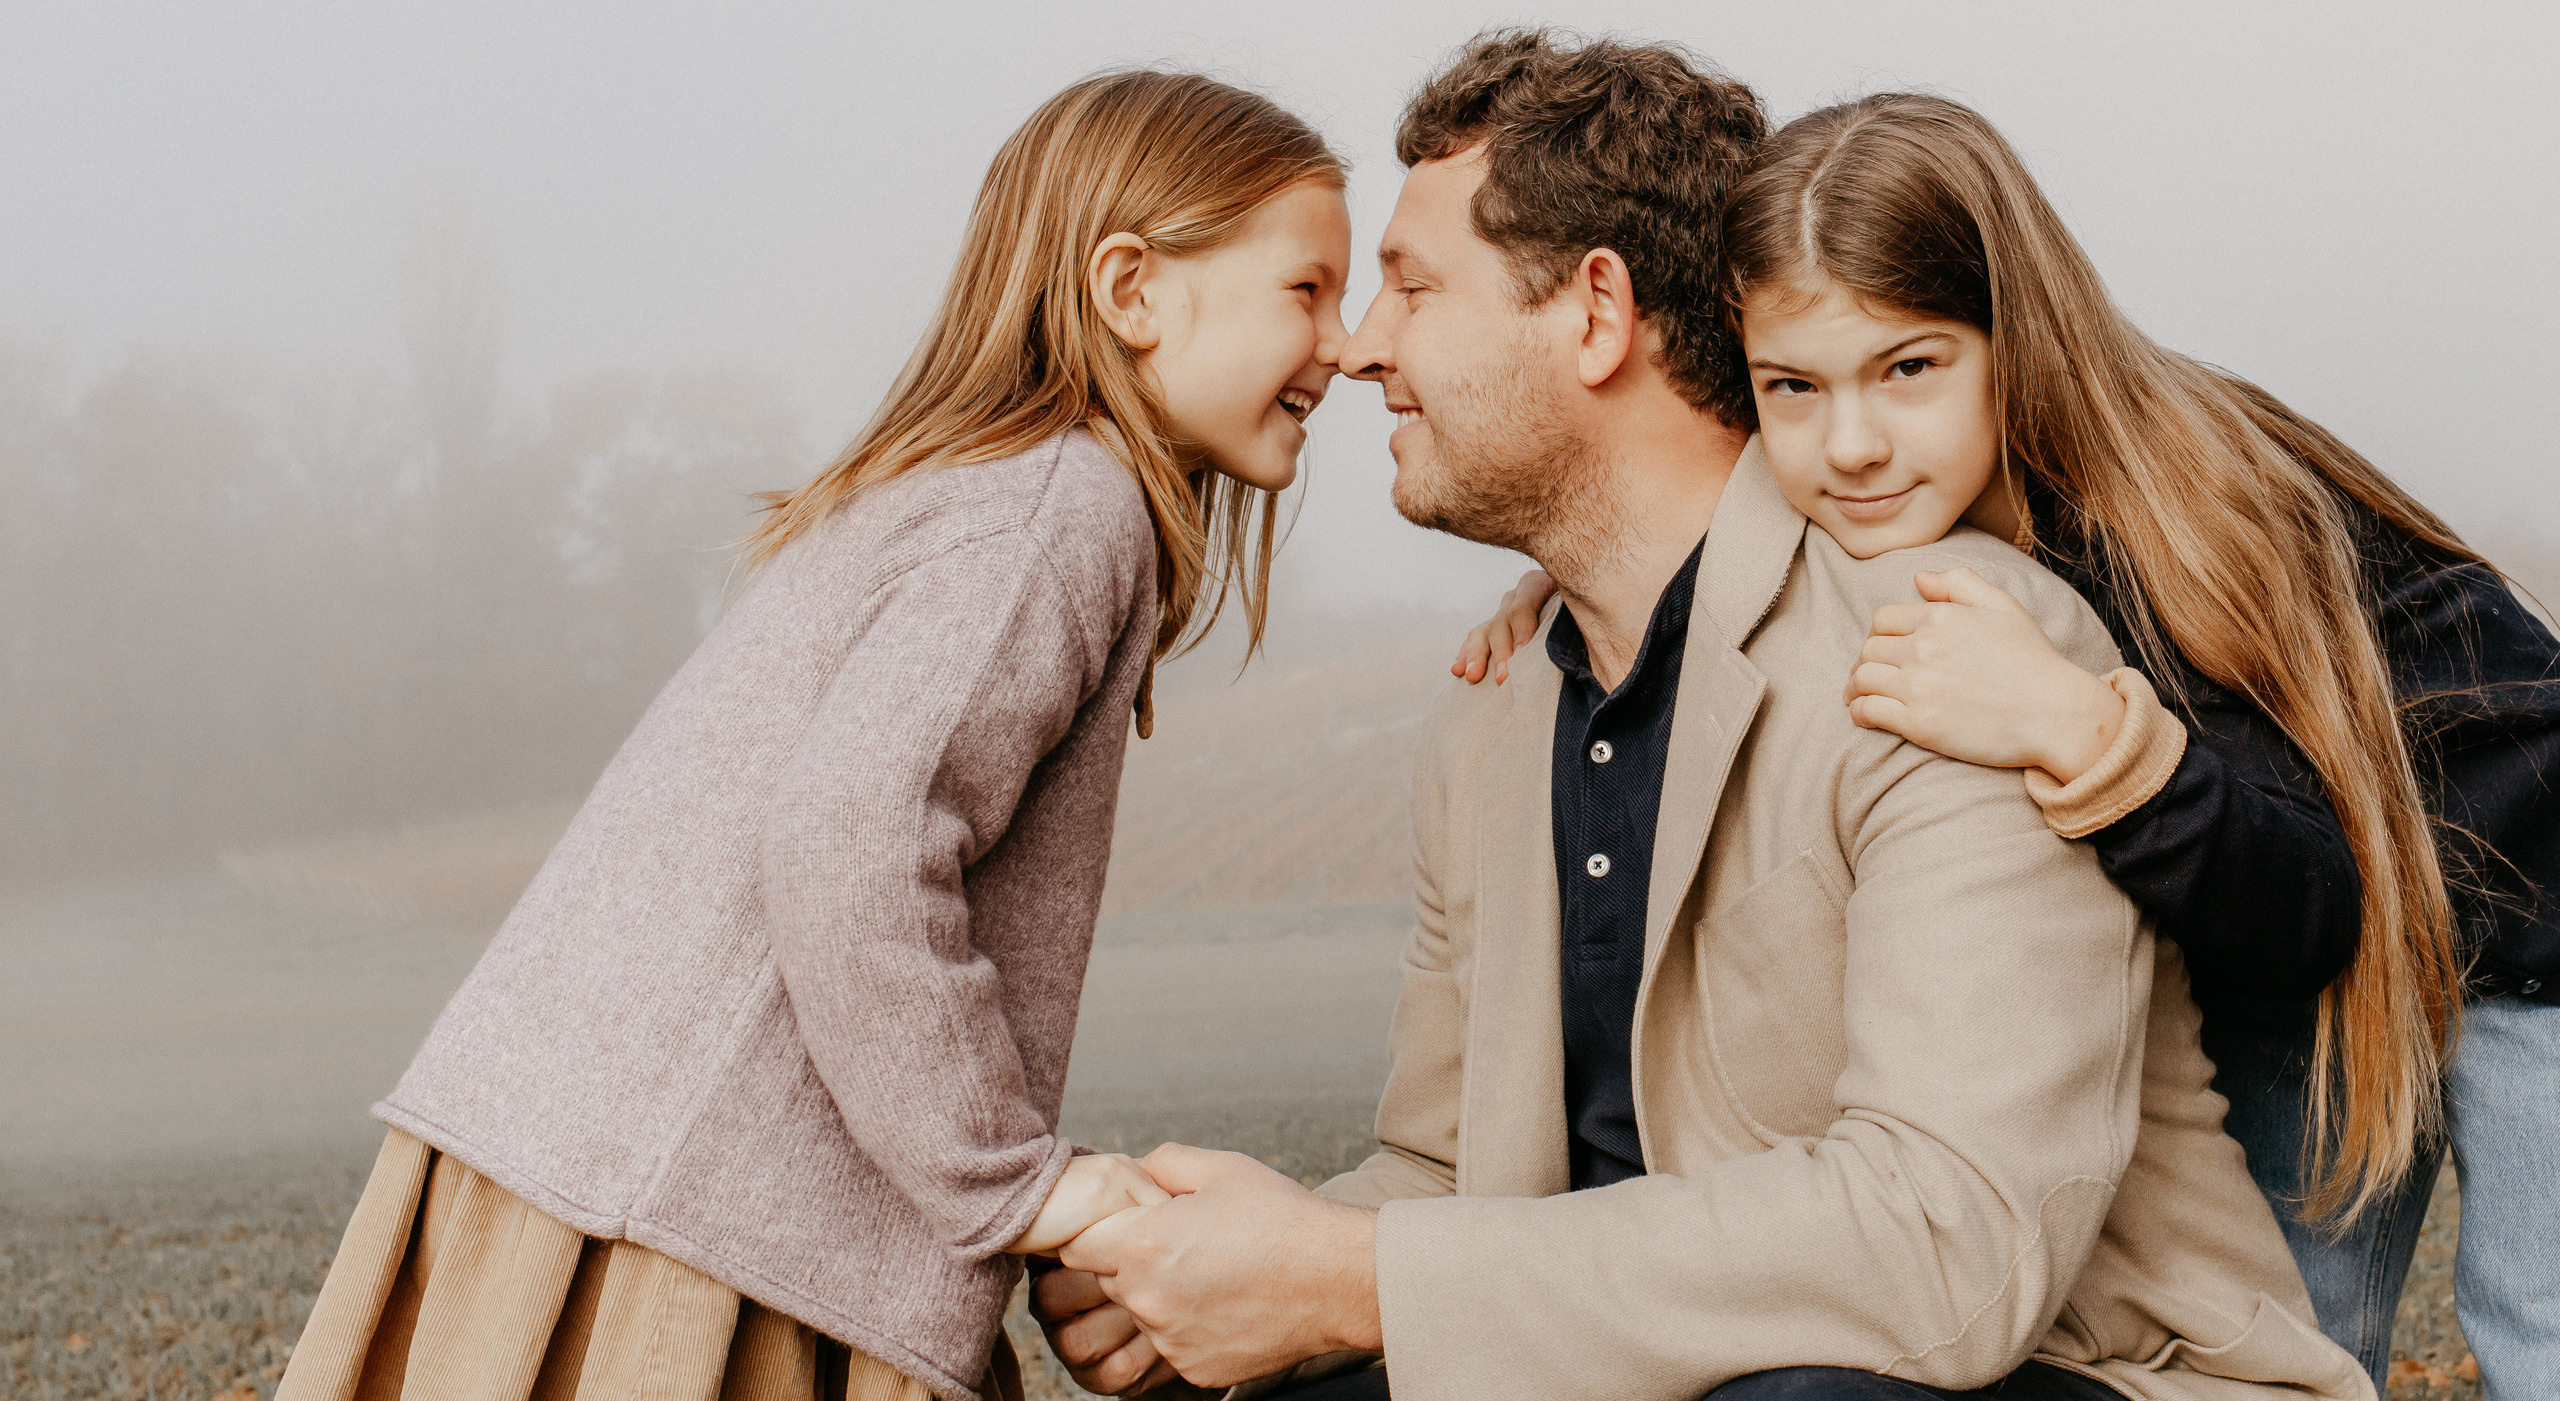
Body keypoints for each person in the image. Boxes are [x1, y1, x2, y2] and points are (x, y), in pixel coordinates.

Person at [1035, 32, 2371, 1401]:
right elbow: (1451, 1176)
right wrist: (1218, 1265)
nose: (1364, 348)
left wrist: (1345, 1278)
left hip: (2050, 1367)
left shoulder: (1954, 650)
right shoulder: (1492, 718)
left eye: (1413, 288)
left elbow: (1942, 1246)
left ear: (1597, 312)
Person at [1457, 88, 2560, 1399]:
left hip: (2517, 898)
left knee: (2536, 1329)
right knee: (2288, 1321)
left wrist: (2074, 726)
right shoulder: (1906, 481)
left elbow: (2305, 907)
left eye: (1909, 368)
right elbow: (1714, 500)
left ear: (2010, 339)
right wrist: (1602, 583)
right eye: (1793, 387)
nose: (1851, 441)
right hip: (2306, 890)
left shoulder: (2152, 527)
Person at [274, 70, 1351, 1401]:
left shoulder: (978, 489)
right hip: (700, 1236)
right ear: (1130, 289)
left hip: (600, 1173)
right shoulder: (1064, 513)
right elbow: (853, 839)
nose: (1345, 345)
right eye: (1308, 289)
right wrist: (1016, 1184)